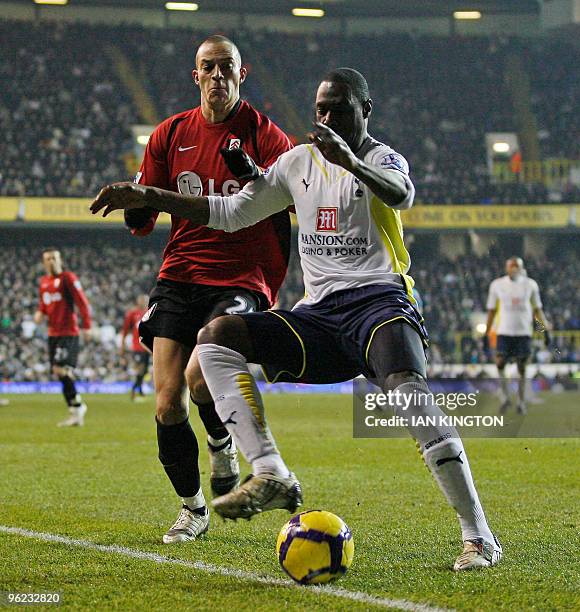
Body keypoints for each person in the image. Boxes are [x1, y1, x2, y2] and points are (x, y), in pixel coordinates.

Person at [91, 67, 502, 571]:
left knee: (408, 394)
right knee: (216, 339)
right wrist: (152, 197)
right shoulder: (296, 163)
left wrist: (349, 160)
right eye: (321, 110)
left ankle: (478, 536)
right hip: (320, 315)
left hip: (380, 302)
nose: (327, 118)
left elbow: (401, 195)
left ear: (365, 111)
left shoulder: (380, 156)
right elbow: (231, 211)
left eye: (340, 109)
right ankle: (271, 473)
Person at [120, 35, 292, 544]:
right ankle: (193, 508)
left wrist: (260, 178)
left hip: (243, 275)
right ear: (196, 76)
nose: (218, 76)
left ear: (244, 74)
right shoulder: (170, 134)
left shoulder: (264, 134)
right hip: (180, 274)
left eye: (227, 68)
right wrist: (133, 201)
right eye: (209, 68)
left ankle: (221, 442)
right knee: (168, 403)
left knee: (202, 375)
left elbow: (294, 195)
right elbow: (144, 218)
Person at [34, 248, 92, 427]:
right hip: (53, 333)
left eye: (54, 258)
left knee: (60, 370)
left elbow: (82, 302)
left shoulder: (68, 278)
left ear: (59, 260)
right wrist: (39, 313)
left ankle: (78, 406)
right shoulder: (44, 282)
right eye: (48, 259)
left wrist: (87, 326)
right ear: (44, 262)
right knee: (60, 372)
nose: (51, 261)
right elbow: (44, 304)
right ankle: (76, 409)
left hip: (68, 332)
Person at [484, 257, 549, 414]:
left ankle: (520, 402)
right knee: (500, 363)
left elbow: (537, 310)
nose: (513, 268)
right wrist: (486, 332)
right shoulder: (497, 285)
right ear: (506, 268)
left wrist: (544, 330)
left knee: (522, 368)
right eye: (511, 266)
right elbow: (491, 311)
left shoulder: (530, 285)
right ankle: (506, 398)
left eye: (516, 266)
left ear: (521, 268)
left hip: (523, 333)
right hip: (504, 332)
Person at [121, 294, 151, 401]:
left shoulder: (150, 312)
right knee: (141, 369)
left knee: (145, 370)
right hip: (137, 347)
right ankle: (135, 390)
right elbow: (125, 330)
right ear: (138, 301)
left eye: (145, 300)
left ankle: (140, 391)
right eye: (141, 300)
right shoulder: (132, 313)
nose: (143, 302)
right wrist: (123, 346)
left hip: (148, 347)